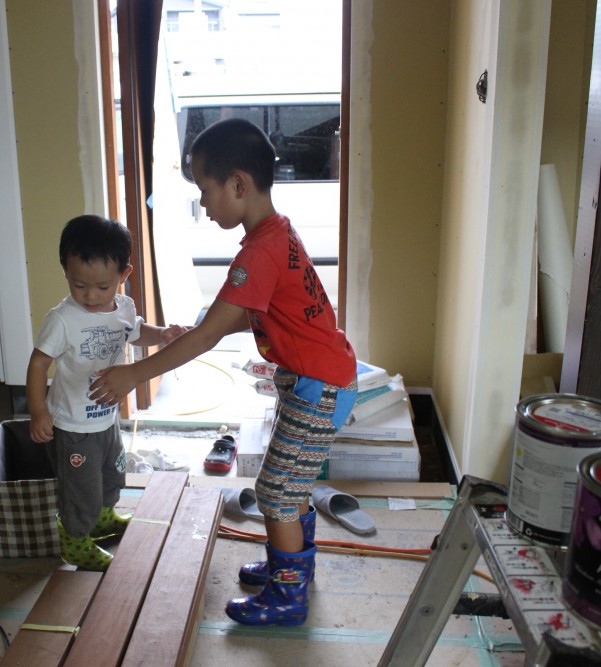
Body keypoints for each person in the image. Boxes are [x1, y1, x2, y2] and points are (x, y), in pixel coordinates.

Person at [89, 118, 358, 626]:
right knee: (290, 484)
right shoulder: (276, 232)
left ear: (238, 184)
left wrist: (134, 374)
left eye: (205, 190)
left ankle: (288, 595)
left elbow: (209, 335)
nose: (203, 204)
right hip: (317, 380)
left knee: (277, 491)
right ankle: (289, 569)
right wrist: (198, 329)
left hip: (319, 387)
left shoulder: (259, 252)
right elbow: (245, 315)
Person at [26, 214, 185, 572]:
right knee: (80, 487)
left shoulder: (123, 307)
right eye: (79, 285)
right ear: (65, 270)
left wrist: (162, 335)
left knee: (112, 472)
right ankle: (75, 540)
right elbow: (38, 364)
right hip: (72, 424)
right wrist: (38, 411)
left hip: (107, 417)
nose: (91, 296)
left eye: (102, 287)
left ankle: (101, 517)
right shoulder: (62, 319)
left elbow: (136, 331)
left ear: (123, 275)